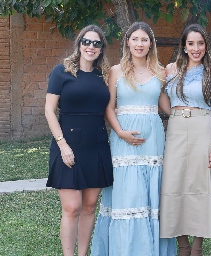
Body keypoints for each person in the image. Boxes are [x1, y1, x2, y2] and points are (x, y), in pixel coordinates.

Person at [90, 22, 176, 256]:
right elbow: (109, 107)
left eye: (144, 40)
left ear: (151, 44)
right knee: (127, 194)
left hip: (153, 141)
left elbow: (167, 107)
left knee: (150, 196)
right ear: (127, 42)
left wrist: (192, 111)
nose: (140, 44)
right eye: (135, 39)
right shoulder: (116, 71)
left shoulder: (160, 71)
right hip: (122, 140)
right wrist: (120, 132)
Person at [159, 23, 211, 256]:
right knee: (174, 184)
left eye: (200, 43)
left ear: (205, 46)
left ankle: (197, 247)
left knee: (202, 186)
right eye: (190, 43)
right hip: (177, 131)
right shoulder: (173, 72)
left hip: (204, 129)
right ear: (184, 46)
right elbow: (162, 98)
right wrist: (175, 113)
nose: (195, 48)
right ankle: (182, 246)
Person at [44, 25, 113, 256]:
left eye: (96, 43)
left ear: (102, 48)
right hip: (68, 144)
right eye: (86, 41)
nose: (90, 47)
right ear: (79, 43)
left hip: (97, 145)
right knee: (72, 207)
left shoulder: (104, 75)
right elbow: (49, 111)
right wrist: (63, 145)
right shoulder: (61, 72)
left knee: (89, 206)